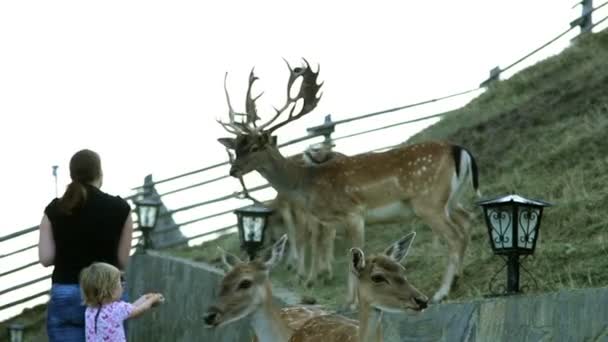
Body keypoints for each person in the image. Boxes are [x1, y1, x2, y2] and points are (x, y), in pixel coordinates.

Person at [38, 149, 133, 341]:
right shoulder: (121, 209)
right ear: (100, 174)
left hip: (67, 292)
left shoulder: (55, 209)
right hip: (107, 295)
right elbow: (122, 261)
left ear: (72, 175)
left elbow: (45, 258)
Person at [80, 262, 163, 342]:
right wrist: (153, 300)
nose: (123, 284)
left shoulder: (89, 310)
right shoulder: (118, 308)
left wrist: (144, 298)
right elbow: (138, 310)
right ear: (109, 289)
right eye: (119, 281)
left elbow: (130, 309)